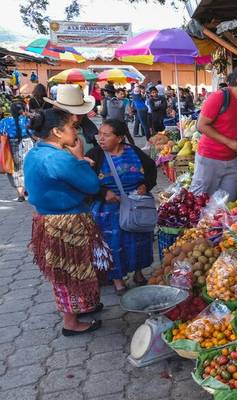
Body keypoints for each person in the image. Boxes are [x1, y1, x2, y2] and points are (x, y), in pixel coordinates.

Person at [25, 107, 112, 336]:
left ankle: (81, 306)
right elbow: (92, 186)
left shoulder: (36, 152)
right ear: (56, 131)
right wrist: (80, 160)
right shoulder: (59, 158)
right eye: (72, 127)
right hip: (66, 221)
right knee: (71, 271)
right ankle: (71, 322)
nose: (76, 131)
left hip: (49, 219)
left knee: (70, 270)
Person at [87, 119, 156, 295]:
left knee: (139, 240)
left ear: (119, 138)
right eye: (99, 134)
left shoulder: (134, 151)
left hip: (134, 207)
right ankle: (117, 281)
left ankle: (138, 274)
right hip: (108, 212)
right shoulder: (95, 155)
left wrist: (145, 186)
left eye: (106, 135)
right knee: (113, 245)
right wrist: (103, 193)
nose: (100, 138)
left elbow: (151, 170)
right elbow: (85, 181)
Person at [189, 64, 237, 201]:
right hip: (209, 159)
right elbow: (201, 125)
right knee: (199, 201)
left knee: (228, 202)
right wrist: (230, 142)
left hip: (231, 161)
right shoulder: (219, 97)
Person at [0, 102, 34, 201]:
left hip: (10, 146)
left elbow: (2, 133)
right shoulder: (27, 120)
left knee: (15, 169)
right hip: (27, 143)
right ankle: (28, 189)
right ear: (23, 110)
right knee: (28, 167)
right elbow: (33, 131)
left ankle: (20, 194)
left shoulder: (4, 121)